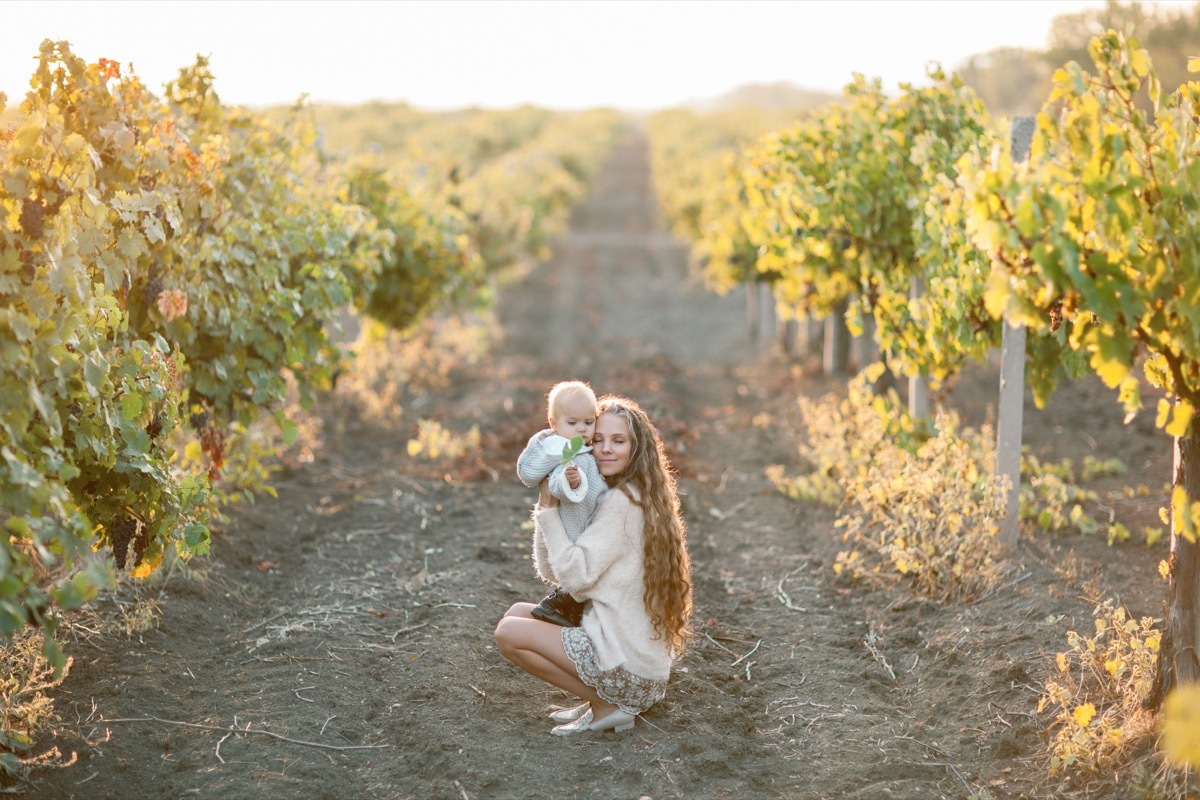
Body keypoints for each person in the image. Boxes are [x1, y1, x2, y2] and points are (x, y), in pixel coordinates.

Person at [495, 395, 693, 735]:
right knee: (517, 612)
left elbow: (574, 577)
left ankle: (606, 705)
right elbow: (552, 571)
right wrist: (555, 510)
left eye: (618, 441)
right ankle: (600, 699)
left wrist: (548, 512)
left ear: (637, 448)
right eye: (598, 439)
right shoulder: (630, 494)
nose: (605, 449)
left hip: (628, 670)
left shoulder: (623, 504)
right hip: (636, 662)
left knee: (508, 633)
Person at [516, 380, 607, 627]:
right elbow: (552, 483)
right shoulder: (567, 455)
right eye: (573, 423)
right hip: (575, 526)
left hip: (589, 523)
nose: (582, 430)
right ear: (554, 425)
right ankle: (569, 606)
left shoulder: (586, 452)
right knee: (578, 567)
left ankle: (573, 604)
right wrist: (572, 482)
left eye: (589, 422)